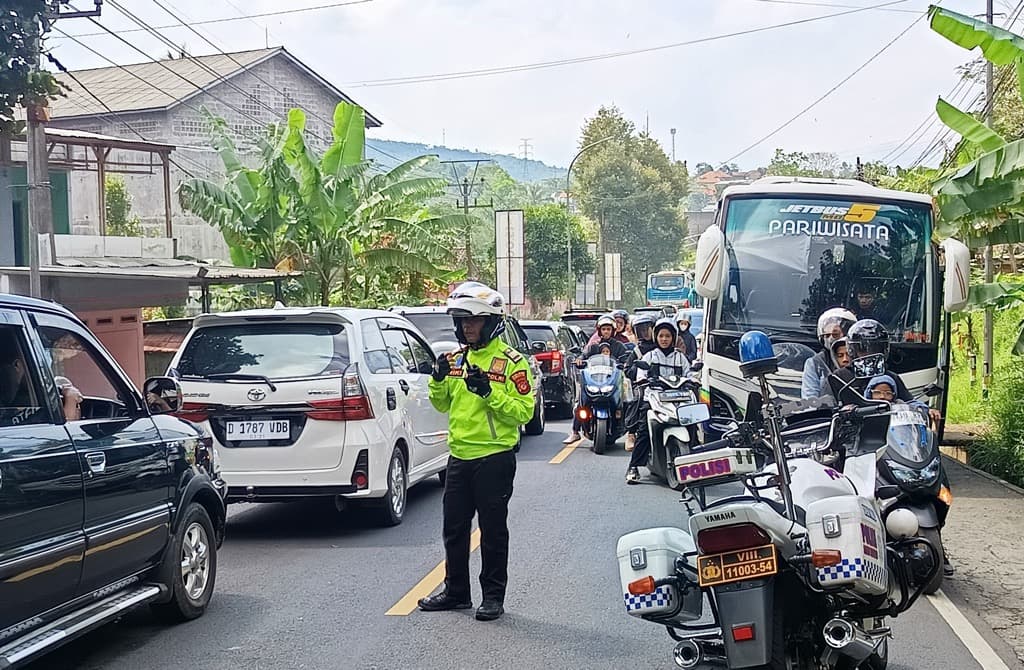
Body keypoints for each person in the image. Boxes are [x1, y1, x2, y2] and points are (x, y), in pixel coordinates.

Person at [418, 282, 536, 622]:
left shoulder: (511, 363)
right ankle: (456, 593)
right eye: (462, 321)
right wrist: (438, 379)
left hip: (494, 457)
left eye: (474, 320)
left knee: (492, 530)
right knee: (454, 529)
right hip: (459, 457)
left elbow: (523, 412)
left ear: (491, 322)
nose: (467, 327)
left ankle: (493, 597)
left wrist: (489, 393)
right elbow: (442, 404)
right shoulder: (456, 360)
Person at [828, 319, 941, 424]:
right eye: (863, 349)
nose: (869, 354)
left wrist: (927, 410)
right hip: (850, 432)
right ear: (852, 350)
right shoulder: (838, 377)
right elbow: (826, 407)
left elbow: (909, 402)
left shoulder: (890, 377)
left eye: (875, 349)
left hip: (887, 431)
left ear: (884, 350)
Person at [626, 318, 691, 484]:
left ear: (673, 337)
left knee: (692, 425)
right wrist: (643, 379)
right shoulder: (650, 356)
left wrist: (693, 380)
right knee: (644, 431)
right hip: (654, 398)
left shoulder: (681, 358)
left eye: (668, 336)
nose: (664, 339)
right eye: (661, 336)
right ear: (656, 337)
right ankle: (633, 467)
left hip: (678, 398)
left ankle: (695, 464)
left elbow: (690, 374)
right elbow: (640, 374)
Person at [565, 315, 629, 444]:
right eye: (603, 329)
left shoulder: (619, 346)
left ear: (613, 331)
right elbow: (583, 356)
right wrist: (579, 360)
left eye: (608, 329)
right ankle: (575, 432)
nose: (606, 332)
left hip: (613, 382)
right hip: (595, 382)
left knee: (628, 401)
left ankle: (631, 434)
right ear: (599, 331)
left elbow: (626, 358)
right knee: (580, 403)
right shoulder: (593, 346)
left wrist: (626, 363)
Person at [802, 308, 856, 399]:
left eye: (835, 334)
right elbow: (810, 398)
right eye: (827, 335)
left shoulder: (861, 358)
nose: (830, 339)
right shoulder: (815, 363)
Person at [624, 314, 657, 452]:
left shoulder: (662, 346)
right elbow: (627, 369)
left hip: (665, 384)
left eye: (647, 329)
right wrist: (638, 370)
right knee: (638, 398)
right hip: (643, 384)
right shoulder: (637, 351)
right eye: (641, 330)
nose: (645, 333)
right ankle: (631, 433)